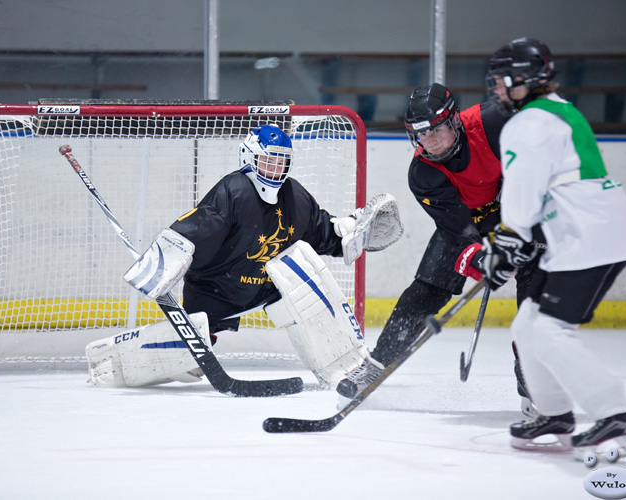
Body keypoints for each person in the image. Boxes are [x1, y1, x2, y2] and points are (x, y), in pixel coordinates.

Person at [87, 124, 403, 388]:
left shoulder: (295, 196)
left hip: (265, 288)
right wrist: (163, 262)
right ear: (249, 158)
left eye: (282, 162)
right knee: (188, 364)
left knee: (306, 274)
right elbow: (198, 228)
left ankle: (344, 366)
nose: (275, 170)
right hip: (215, 290)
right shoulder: (234, 191)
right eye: (268, 161)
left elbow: (320, 231)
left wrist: (349, 231)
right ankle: (110, 365)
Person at [473, 37, 626, 453]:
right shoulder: (558, 111)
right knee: (527, 322)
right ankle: (554, 412)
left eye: (500, 81)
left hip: (589, 234)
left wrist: (508, 238)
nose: (496, 89)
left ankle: (612, 414)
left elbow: (523, 195)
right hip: (586, 228)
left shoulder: (527, 124)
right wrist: (516, 241)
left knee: (549, 330)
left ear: (523, 79)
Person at [336, 83, 538, 410]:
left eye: (436, 132)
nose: (429, 143)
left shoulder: (492, 122)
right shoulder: (423, 173)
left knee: (535, 275)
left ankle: (530, 367)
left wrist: (521, 189)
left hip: (517, 211)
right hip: (467, 221)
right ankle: (374, 365)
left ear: (455, 121)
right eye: (421, 136)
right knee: (427, 288)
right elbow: (459, 231)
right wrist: (486, 260)